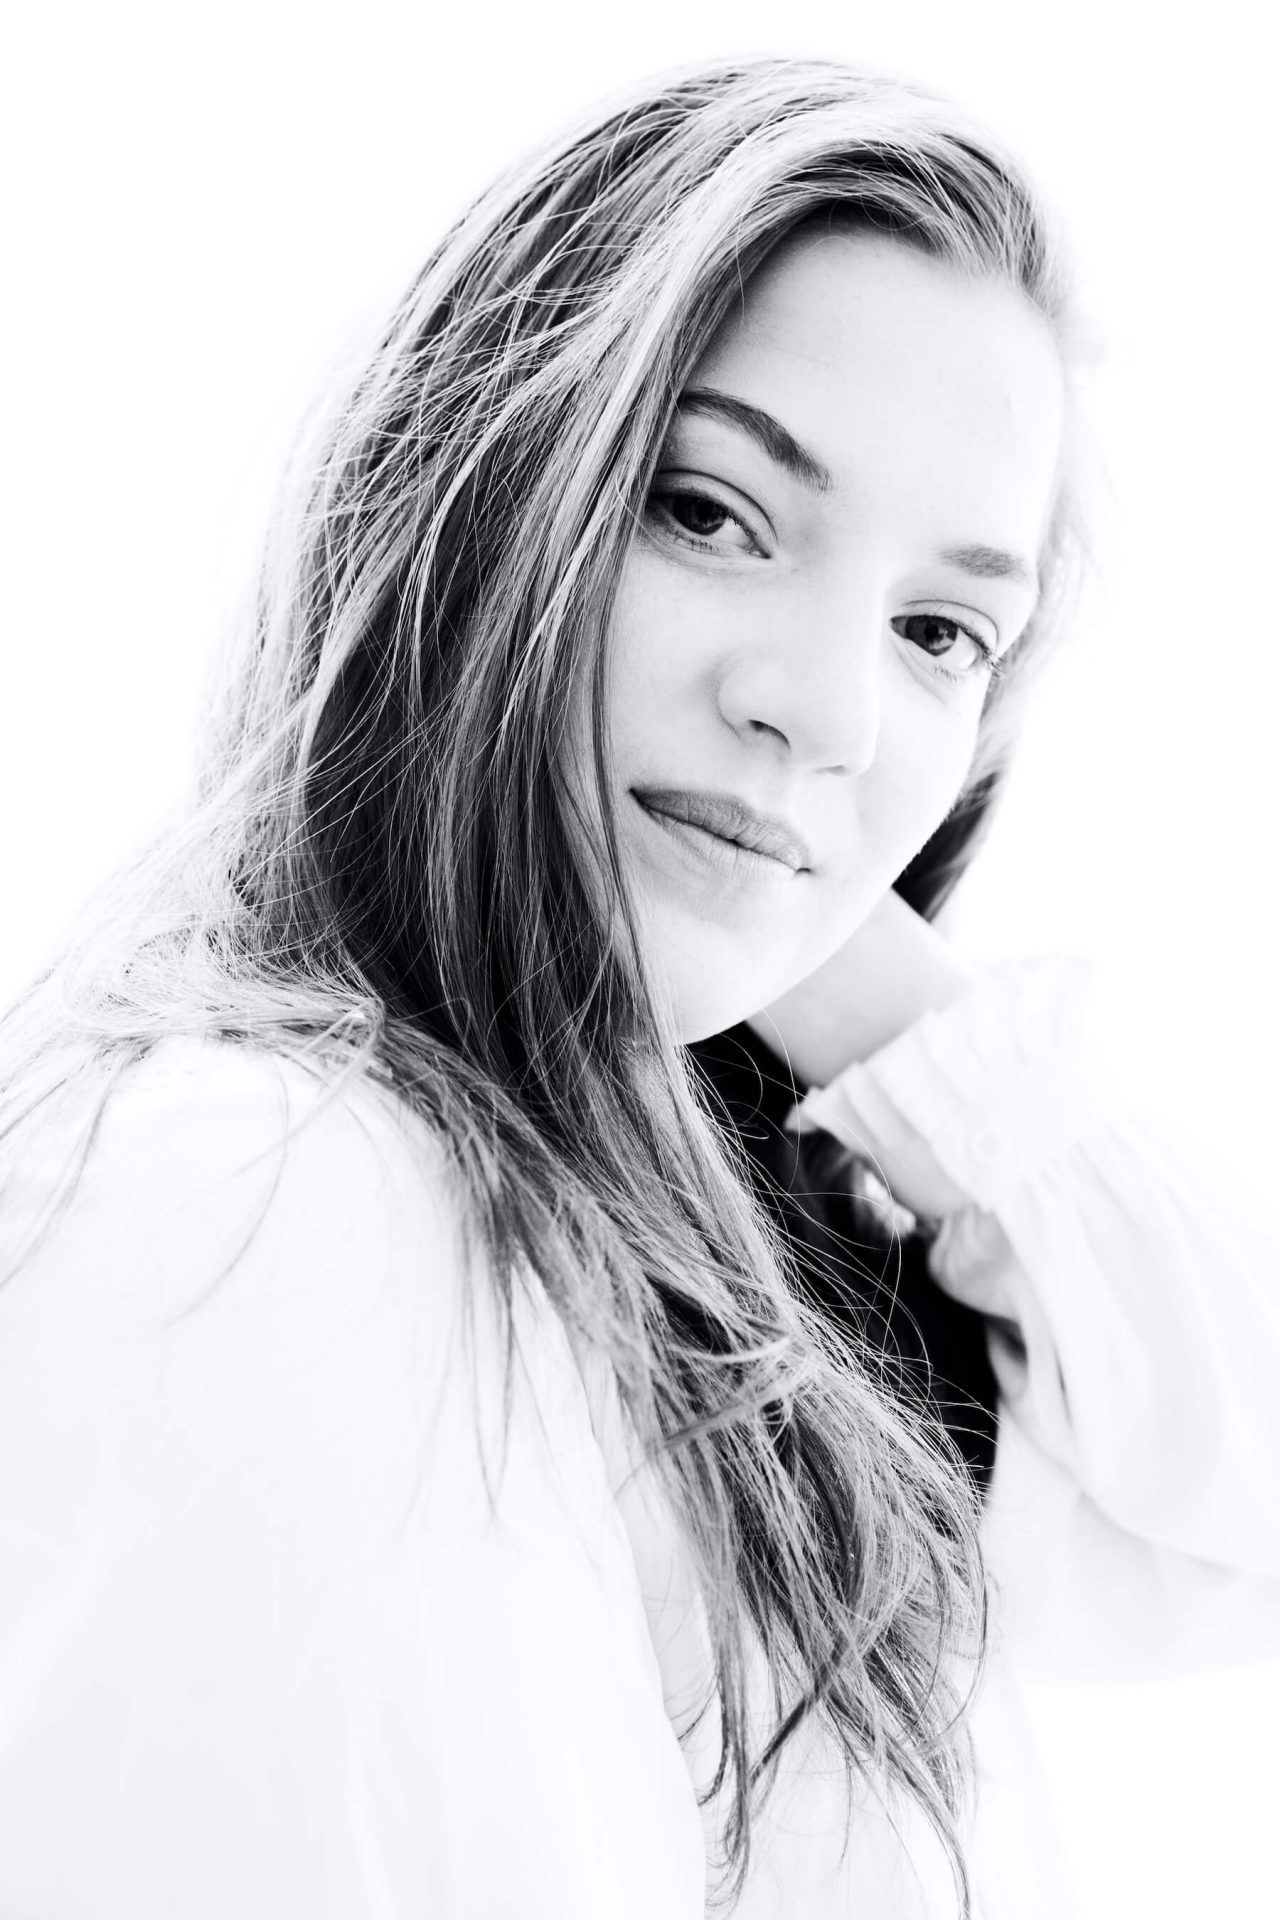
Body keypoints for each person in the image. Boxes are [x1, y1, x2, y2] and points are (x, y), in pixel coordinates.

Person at [0, 52, 1277, 1920]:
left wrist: (810, 921)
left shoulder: (700, 1256)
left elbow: (1239, 1502)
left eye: (940, 632)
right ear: (474, 496)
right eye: (707, 510)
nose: (832, 709)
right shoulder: (272, 1199)